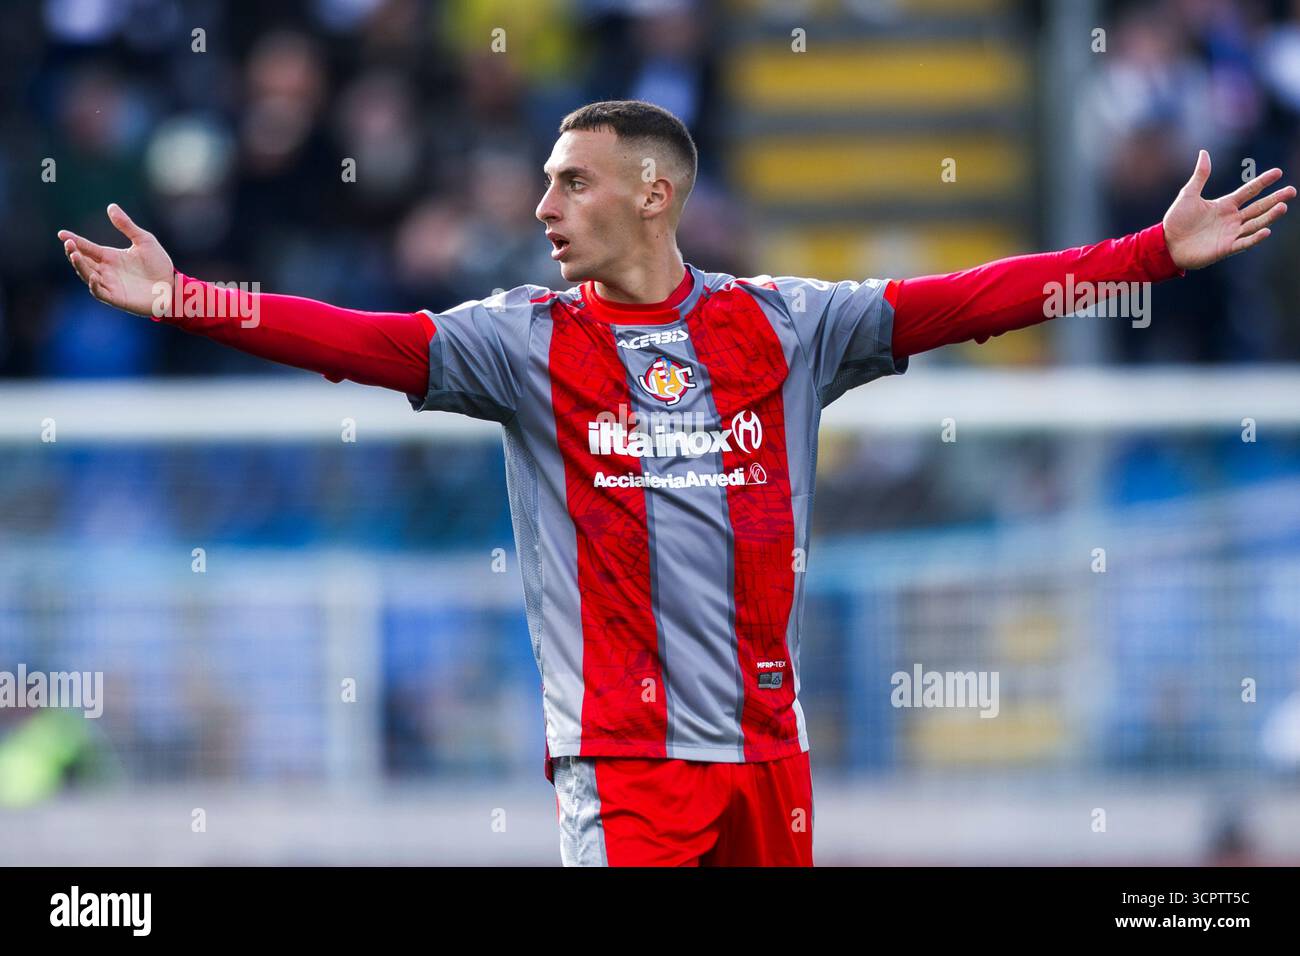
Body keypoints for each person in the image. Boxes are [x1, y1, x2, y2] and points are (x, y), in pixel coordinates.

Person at [57, 100, 1292, 867]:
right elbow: (358, 338)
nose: (542, 204)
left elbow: (970, 300)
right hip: (621, 756)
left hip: (768, 747)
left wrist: (1149, 255)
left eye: (570, 180)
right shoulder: (519, 339)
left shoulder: (790, 326)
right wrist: (190, 299)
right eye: (543, 182)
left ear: (654, 194)